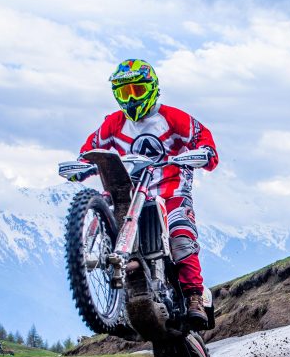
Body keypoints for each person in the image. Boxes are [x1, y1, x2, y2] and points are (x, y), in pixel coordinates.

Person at [76, 59, 219, 327]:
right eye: (124, 92)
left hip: (170, 189)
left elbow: (204, 141)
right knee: (108, 216)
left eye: (137, 91)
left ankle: (194, 297)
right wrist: (81, 166)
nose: (130, 98)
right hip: (129, 194)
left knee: (181, 236)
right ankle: (113, 287)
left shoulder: (174, 118)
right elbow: (90, 149)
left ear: (152, 89)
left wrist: (202, 153)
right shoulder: (113, 124)